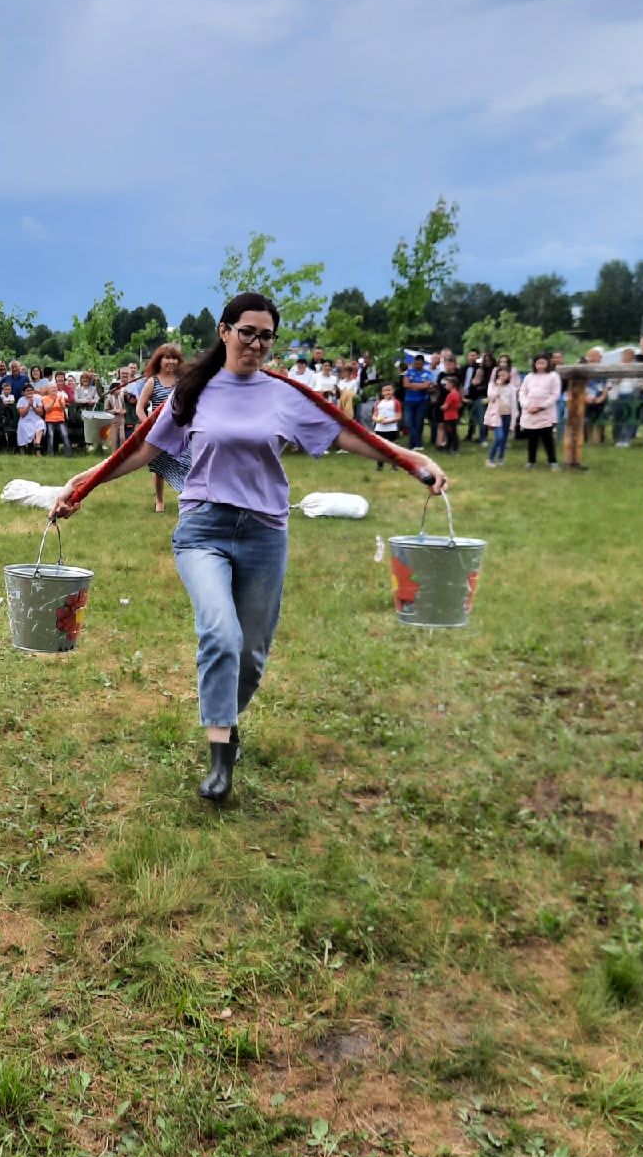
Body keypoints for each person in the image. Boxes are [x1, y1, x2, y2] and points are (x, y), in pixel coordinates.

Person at [51, 293, 446, 803]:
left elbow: (348, 435)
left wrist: (410, 459)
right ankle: (220, 757)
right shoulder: (194, 391)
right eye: (247, 333)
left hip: (264, 533)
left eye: (266, 336)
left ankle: (227, 721)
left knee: (253, 654)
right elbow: (144, 447)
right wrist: (81, 483)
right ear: (224, 332)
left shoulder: (283, 394)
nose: (256, 344)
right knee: (220, 632)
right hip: (203, 530)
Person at [136, 344, 185, 511]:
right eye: (167, 358)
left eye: (174, 358)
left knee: (186, 464)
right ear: (159, 360)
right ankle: (159, 500)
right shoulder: (152, 381)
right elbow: (139, 408)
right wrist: (149, 426)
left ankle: (185, 496)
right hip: (159, 431)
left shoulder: (182, 380)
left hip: (180, 430)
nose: (171, 362)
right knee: (159, 467)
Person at [518, 353, 562, 469]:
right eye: (538, 363)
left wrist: (541, 406)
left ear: (548, 363)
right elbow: (522, 392)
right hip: (530, 411)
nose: (540, 366)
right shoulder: (529, 377)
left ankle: (552, 461)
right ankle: (531, 461)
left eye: (543, 363)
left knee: (547, 438)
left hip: (545, 411)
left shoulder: (553, 376)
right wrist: (527, 406)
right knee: (532, 438)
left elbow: (555, 394)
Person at [484, 359, 517, 465]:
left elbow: (513, 403)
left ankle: (501, 458)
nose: (501, 377)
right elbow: (492, 398)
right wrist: (498, 387)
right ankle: (490, 458)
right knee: (499, 437)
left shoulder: (511, 388)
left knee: (504, 438)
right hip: (496, 415)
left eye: (504, 375)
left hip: (507, 415)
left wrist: (514, 417)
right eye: (499, 375)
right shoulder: (492, 386)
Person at [402, 354, 433, 448]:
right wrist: (421, 386)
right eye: (415, 363)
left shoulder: (428, 373)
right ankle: (417, 442)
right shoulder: (408, 372)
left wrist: (413, 385)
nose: (417, 365)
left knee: (419, 422)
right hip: (409, 401)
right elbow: (406, 384)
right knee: (408, 422)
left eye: (419, 364)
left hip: (422, 401)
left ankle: (413, 444)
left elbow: (428, 385)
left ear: (423, 364)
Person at [582, 349, 611, 444]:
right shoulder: (583, 369)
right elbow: (582, 384)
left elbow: (608, 385)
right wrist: (586, 396)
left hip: (601, 395)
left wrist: (602, 397)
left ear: (600, 357)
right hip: (587, 397)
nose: (593, 358)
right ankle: (589, 439)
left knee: (601, 419)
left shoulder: (605, 369)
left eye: (595, 355)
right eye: (591, 356)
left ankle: (600, 439)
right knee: (588, 419)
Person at [41, 374, 73, 458]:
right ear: (48, 390)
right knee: (50, 436)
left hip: (60, 420)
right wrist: (53, 401)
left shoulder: (60, 397)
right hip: (50, 420)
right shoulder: (45, 398)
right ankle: (50, 453)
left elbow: (63, 409)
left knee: (65, 435)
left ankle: (68, 454)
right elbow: (47, 409)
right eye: (52, 388)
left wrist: (61, 403)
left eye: (55, 388)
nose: (54, 390)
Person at [371, 383, 401, 469]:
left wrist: (388, 421)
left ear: (393, 391)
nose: (387, 392)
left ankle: (394, 465)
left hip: (392, 428)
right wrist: (377, 420)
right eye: (385, 390)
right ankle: (380, 465)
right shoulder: (379, 403)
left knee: (393, 447)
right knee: (379, 447)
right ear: (382, 392)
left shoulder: (396, 402)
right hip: (380, 428)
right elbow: (374, 415)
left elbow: (398, 416)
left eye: (389, 390)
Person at [16, 383, 45, 453]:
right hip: (25, 418)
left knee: (41, 423)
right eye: (28, 390)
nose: (30, 392)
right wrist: (29, 405)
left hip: (36, 417)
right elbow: (22, 414)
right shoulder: (21, 400)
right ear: (24, 392)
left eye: (31, 390)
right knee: (22, 426)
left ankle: (37, 444)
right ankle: (24, 447)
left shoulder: (37, 398)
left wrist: (33, 406)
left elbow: (41, 413)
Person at [441, 375, 462, 454]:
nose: (446, 385)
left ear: (452, 384)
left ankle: (453, 448)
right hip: (454, 415)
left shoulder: (450, 395)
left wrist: (441, 407)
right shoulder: (457, 394)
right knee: (451, 432)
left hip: (449, 417)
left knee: (451, 433)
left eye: (447, 384)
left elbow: (445, 406)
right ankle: (448, 448)